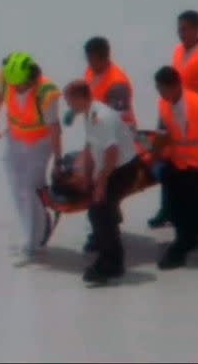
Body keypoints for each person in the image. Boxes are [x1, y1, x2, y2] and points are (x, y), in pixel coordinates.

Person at [0, 52, 62, 267]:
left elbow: (55, 128)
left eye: (20, 86)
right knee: (15, 186)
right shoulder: (7, 77)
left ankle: (32, 244)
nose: (16, 89)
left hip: (39, 144)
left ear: (29, 78)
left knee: (30, 189)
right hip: (15, 137)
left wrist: (57, 159)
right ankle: (35, 228)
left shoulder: (46, 92)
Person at [63, 80, 142, 284]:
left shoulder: (101, 117)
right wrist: (87, 177)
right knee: (99, 209)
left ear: (80, 98)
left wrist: (101, 183)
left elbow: (112, 151)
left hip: (123, 169)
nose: (68, 106)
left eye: (69, 101)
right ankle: (105, 241)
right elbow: (90, 146)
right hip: (110, 167)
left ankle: (113, 262)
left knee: (99, 210)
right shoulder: (89, 115)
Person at [148, 10, 198, 229]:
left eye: (184, 29)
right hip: (173, 111)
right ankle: (167, 209)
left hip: (196, 118)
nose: (180, 33)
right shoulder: (179, 51)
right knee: (169, 160)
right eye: (179, 29)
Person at [64, 36, 138, 253]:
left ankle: (105, 227)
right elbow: (85, 98)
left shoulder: (117, 84)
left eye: (91, 59)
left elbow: (117, 125)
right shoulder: (92, 73)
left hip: (115, 139)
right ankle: (105, 220)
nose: (88, 63)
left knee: (100, 190)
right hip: (99, 133)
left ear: (101, 57)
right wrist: (74, 111)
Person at [153, 66, 198, 270]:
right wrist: (156, 158)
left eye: (162, 89)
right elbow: (162, 132)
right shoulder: (164, 104)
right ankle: (181, 246)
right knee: (178, 210)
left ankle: (190, 237)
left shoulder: (196, 103)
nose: (160, 94)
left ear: (175, 86)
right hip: (178, 164)